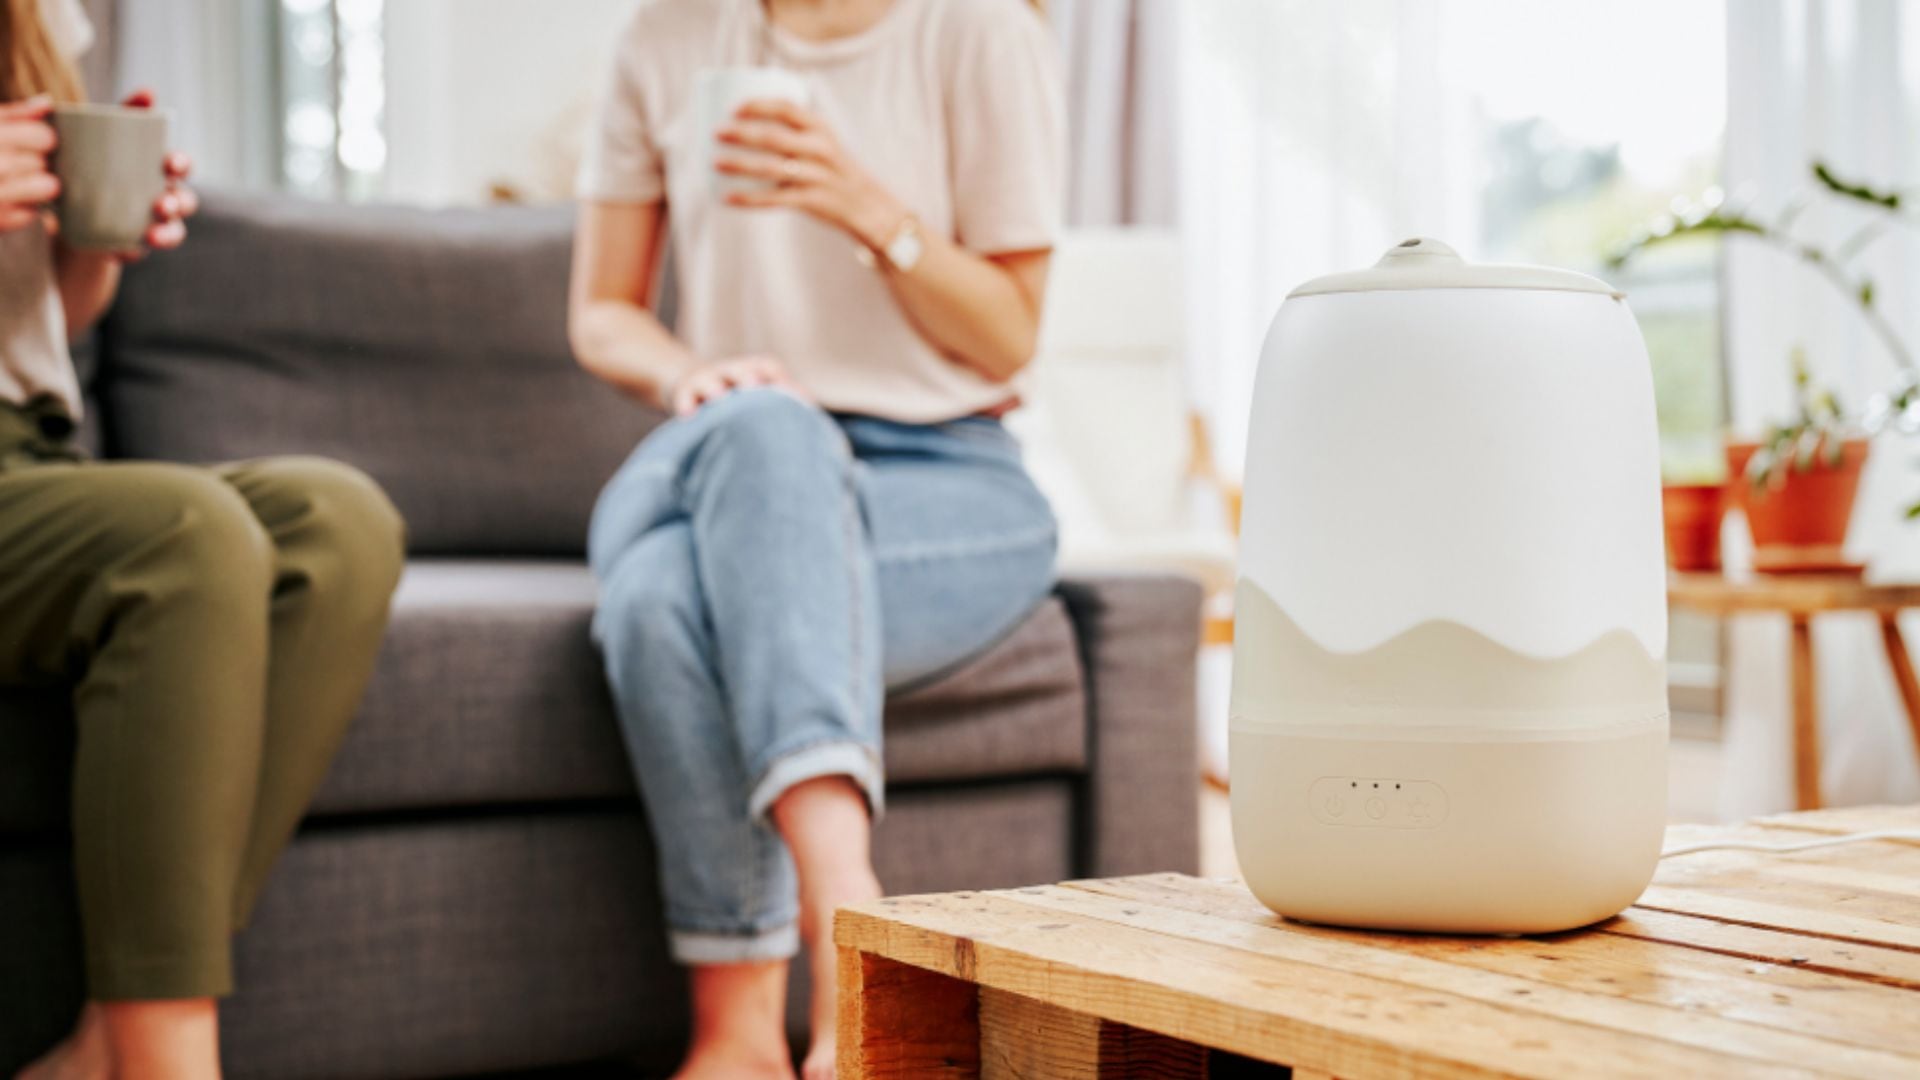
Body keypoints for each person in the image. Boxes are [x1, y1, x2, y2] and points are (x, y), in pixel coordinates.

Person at [569, 0, 1061, 1075]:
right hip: (722, 441)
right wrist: (682, 375)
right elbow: (602, 309)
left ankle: (738, 1034)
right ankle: (848, 927)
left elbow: (1010, 333)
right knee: (764, 426)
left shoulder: (979, 31)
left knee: (656, 602)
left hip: (942, 474)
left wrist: (864, 206)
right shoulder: (664, 38)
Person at [1, 0, 406, 1075]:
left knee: (338, 524)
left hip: (27, 450)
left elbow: (54, 324)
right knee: (189, 534)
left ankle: (104, 1042)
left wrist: (102, 241)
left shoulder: (40, 27)